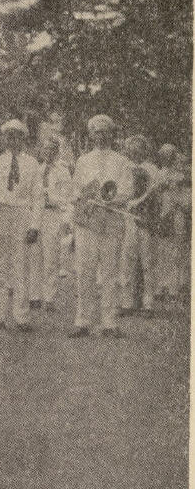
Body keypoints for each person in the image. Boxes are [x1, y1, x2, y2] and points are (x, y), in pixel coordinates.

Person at [68, 115, 134, 338]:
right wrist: (86, 196)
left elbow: (127, 191)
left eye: (105, 131)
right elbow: (75, 191)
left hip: (112, 221)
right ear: (91, 134)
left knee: (110, 272)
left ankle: (109, 323)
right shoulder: (83, 161)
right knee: (84, 272)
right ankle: (82, 321)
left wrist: (108, 198)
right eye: (96, 131)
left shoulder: (122, 161)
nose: (101, 135)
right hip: (87, 222)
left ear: (112, 134)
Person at [0, 119, 43, 333]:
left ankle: (22, 316)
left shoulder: (32, 163)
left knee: (21, 266)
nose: (13, 140)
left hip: (21, 213)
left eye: (17, 136)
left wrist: (34, 225)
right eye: (9, 136)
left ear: (23, 138)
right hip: (0, 213)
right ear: (5, 138)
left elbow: (38, 197)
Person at [119, 135, 160, 317]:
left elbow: (154, 192)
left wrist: (139, 203)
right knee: (127, 260)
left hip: (146, 220)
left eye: (139, 148)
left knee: (147, 262)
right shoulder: (124, 167)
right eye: (132, 148)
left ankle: (148, 304)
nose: (135, 151)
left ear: (145, 150)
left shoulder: (151, 169)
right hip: (128, 218)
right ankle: (127, 302)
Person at [35, 136, 73, 312]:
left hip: (53, 215)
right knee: (34, 255)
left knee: (51, 257)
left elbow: (67, 197)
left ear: (57, 152)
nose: (48, 153)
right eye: (45, 149)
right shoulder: (37, 169)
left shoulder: (63, 172)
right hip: (36, 215)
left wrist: (49, 196)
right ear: (41, 151)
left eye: (52, 150)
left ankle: (49, 298)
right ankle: (34, 296)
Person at [155, 144, 190, 300]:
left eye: (170, 155)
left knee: (178, 250)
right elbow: (155, 196)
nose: (167, 159)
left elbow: (187, 200)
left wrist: (179, 203)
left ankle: (177, 286)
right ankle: (163, 285)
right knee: (163, 251)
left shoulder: (182, 177)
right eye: (164, 156)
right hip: (164, 216)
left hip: (178, 215)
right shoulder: (160, 174)